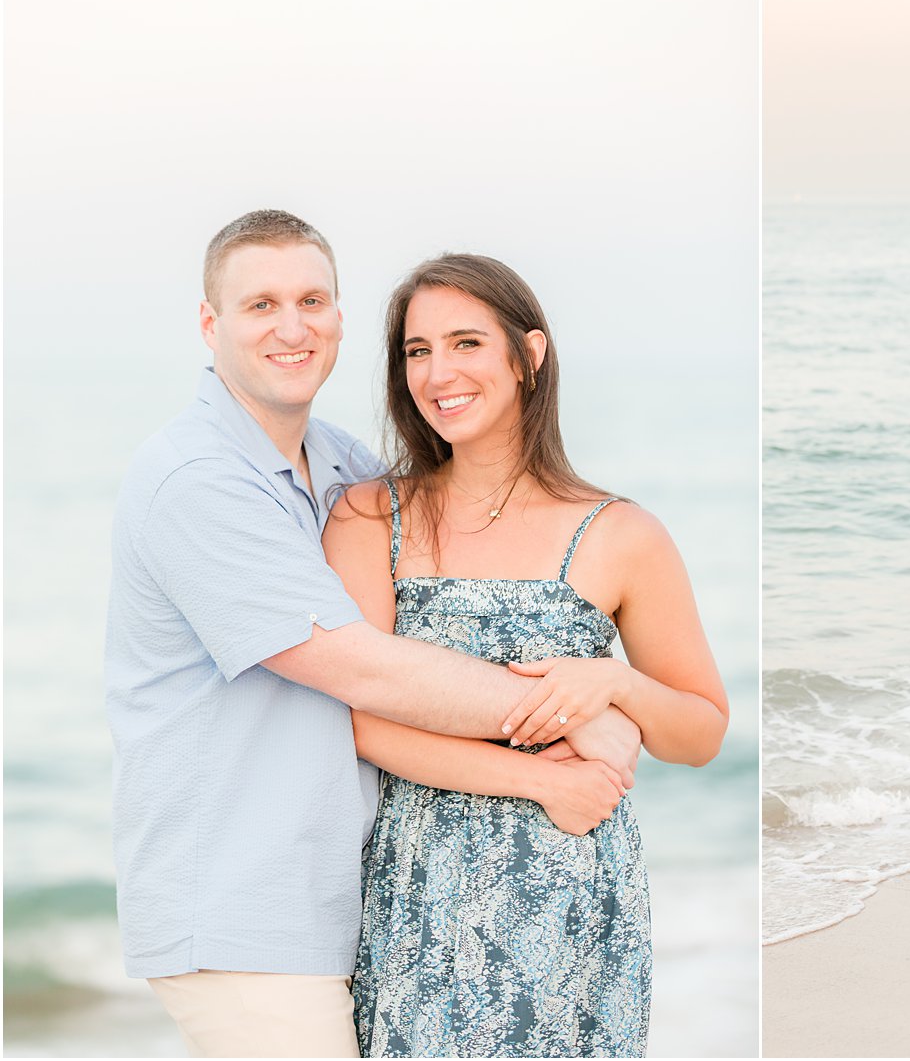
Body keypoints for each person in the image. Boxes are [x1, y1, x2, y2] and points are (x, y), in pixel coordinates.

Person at [105, 211, 639, 1059]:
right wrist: (572, 708)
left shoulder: (347, 467)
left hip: (352, 907)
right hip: (241, 913)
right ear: (210, 325)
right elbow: (360, 666)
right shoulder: (195, 480)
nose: (292, 326)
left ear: (340, 317)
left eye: (312, 298)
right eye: (260, 305)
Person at [321, 254, 728, 1058]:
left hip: (576, 894)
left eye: (467, 342)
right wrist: (543, 775)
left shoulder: (622, 533)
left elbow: (701, 731)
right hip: (422, 891)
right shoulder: (371, 516)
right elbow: (361, 722)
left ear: (528, 356)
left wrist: (611, 683)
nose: (439, 372)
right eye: (417, 350)